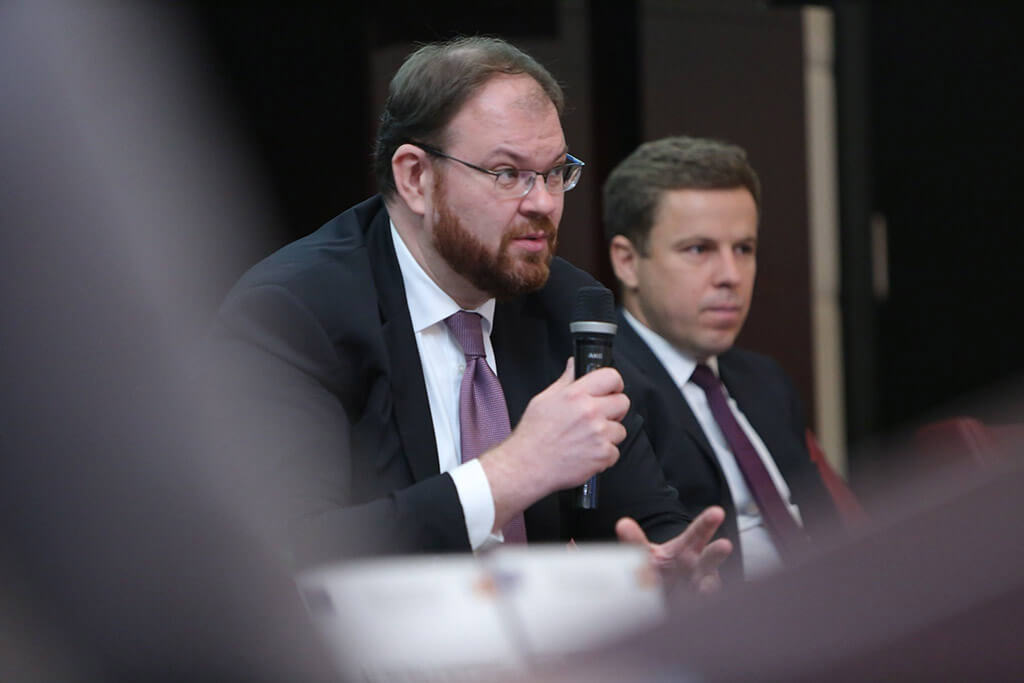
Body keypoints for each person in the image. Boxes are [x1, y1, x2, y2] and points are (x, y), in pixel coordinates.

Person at [209, 37, 730, 589]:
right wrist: (514, 470)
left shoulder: (565, 305)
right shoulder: (294, 311)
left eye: (555, 172)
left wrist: (666, 564)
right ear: (415, 177)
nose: (544, 202)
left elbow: (643, 518)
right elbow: (293, 549)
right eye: (507, 173)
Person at [604, 136, 840, 581]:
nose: (731, 276)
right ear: (627, 261)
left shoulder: (765, 380)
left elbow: (830, 531)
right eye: (699, 249)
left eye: (744, 249)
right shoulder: (606, 391)